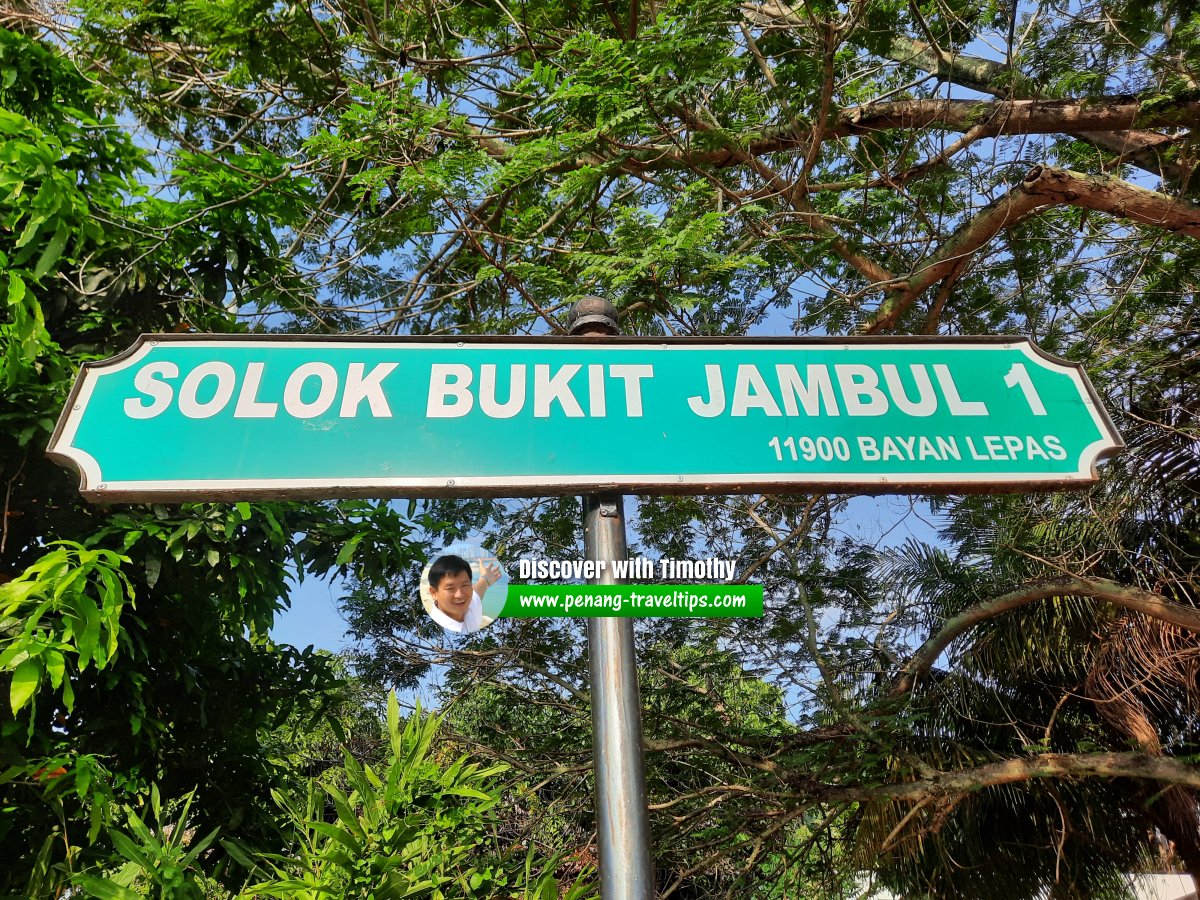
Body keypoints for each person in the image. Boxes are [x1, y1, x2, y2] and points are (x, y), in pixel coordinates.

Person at [426, 554, 501, 634]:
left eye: (464, 585)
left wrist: (485, 579)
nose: (460, 595)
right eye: (450, 588)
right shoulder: (440, 630)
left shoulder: (470, 605)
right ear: (434, 593)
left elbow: (477, 592)